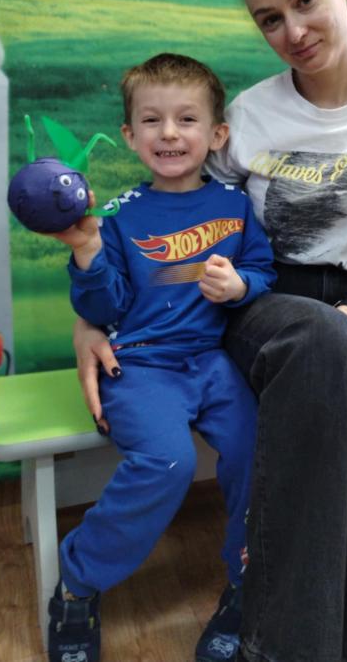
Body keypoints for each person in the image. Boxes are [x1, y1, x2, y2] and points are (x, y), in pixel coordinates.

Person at [74, 0, 347, 662]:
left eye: (305, 1)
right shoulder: (252, 114)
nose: (293, 30)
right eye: (270, 19)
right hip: (263, 300)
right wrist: (91, 322)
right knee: (318, 338)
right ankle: (284, 639)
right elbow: (178, 224)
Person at [45, 53, 276, 662]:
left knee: (258, 449)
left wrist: (241, 286)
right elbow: (105, 305)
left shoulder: (234, 205)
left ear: (217, 134)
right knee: (169, 462)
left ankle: (245, 584)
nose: (169, 133)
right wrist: (88, 250)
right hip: (140, 366)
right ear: (130, 135)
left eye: (186, 119)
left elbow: (262, 269)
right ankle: (77, 583)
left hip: (213, 361)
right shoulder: (119, 216)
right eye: (151, 120)